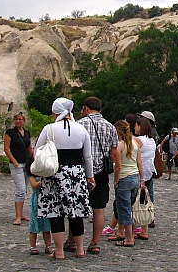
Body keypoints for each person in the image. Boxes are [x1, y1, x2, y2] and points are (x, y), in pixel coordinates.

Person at [37, 97, 94, 260]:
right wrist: (90, 177)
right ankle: (80, 249)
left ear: (56, 111)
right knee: (75, 212)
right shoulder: (81, 130)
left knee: (56, 212)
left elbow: (37, 151)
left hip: (54, 173)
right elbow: (87, 157)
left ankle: (60, 251)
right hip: (76, 174)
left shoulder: (49, 129)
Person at [64, 96, 118, 255]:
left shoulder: (78, 125)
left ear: (86, 108)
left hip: (80, 170)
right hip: (101, 172)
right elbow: (113, 154)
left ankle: (72, 240)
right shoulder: (110, 127)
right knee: (99, 208)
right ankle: (95, 243)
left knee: (76, 207)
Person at [108, 120, 144, 247]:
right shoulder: (135, 143)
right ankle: (130, 233)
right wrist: (142, 179)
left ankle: (128, 238)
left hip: (124, 178)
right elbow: (139, 162)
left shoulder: (119, 146)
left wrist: (116, 181)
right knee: (130, 207)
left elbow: (118, 167)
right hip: (135, 177)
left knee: (124, 209)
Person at [4, 112, 34, 225]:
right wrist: (14, 161)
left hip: (26, 163)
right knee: (20, 189)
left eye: (20, 119)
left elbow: (29, 147)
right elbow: (6, 148)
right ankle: (17, 216)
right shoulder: (10, 133)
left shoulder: (27, 133)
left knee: (24, 189)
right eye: (16, 119)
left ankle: (21, 214)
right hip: (16, 163)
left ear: (23, 121)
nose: (18, 121)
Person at [25, 156, 52, 255]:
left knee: (46, 227)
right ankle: (33, 246)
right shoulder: (31, 176)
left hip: (45, 202)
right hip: (36, 203)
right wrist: (42, 181)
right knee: (34, 227)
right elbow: (34, 185)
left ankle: (48, 245)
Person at [134, 117, 156, 239]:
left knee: (134, 201)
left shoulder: (139, 140)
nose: (134, 127)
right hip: (149, 172)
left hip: (139, 173)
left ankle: (132, 228)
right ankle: (145, 228)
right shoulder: (152, 140)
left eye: (136, 125)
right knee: (145, 200)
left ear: (140, 126)